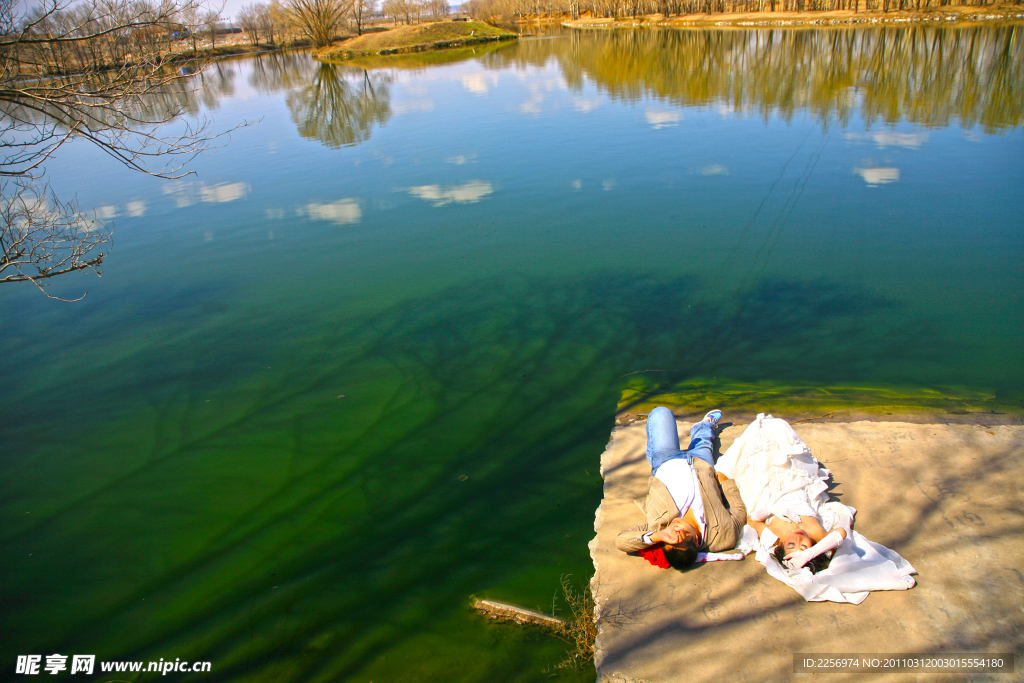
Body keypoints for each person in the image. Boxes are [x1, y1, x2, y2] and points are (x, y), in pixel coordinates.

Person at [616, 407, 747, 570]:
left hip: (666, 461)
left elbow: (621, 541)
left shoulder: (658, 527)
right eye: (683, 533)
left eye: (671, 535)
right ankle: (704, 425)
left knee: (660, 413)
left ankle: (654, 456)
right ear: (697, 541)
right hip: (701, 464)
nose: (675, 527)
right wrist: (726, 483)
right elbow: (739, 512)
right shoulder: (723, 534)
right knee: (704, 438)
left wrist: (658, 536)